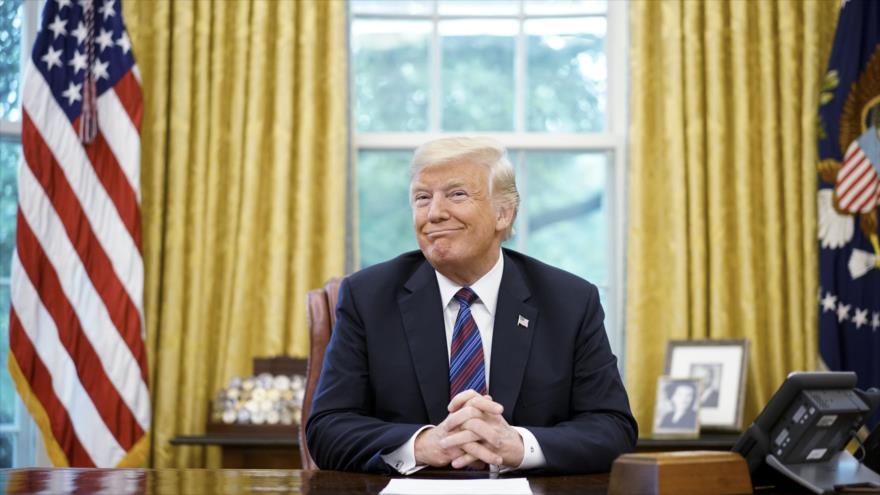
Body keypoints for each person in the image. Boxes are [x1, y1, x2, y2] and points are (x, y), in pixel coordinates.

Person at [306, 137, 637, 474]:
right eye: (422, 198)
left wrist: (518, 446)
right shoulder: (368, 297)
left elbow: (613, 428)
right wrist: (423, 445)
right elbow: (327, 429)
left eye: (456, 194)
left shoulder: (569, 301)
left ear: (503, 213)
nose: (435, 213)